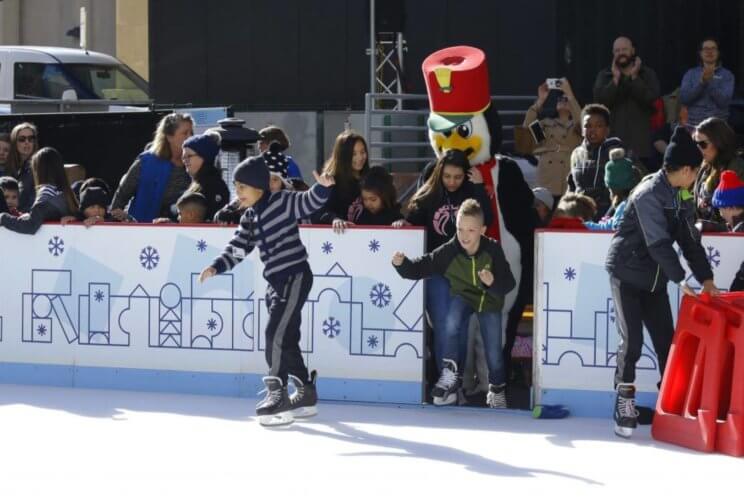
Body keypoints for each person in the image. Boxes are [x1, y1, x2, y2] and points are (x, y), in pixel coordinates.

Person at [198, 154, 335, 426]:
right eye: (235, 188)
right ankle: (305, 393)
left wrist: (322, 187)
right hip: (275, 283)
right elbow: (238, 247)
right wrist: (216, 267)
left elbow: (308, 202)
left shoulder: (282, 202)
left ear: (259, 187)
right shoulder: (249, 217)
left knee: (275, 333)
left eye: (242, 187)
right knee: (287, 338)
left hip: (295, 276)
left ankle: (277, 394)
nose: (238, 193)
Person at [605, 126, 717, 439]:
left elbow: (689, 239)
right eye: (696, 172)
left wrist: (706, 278)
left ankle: (671, 402)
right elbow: (658, 244)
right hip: (627, 273)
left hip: (653, 280)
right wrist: (680, 279)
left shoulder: (681, 195)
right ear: (685, 170)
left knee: (668, 342)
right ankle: (624, 402)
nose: (695, 179)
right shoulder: (647, 194)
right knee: (633, 342)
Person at [392, 199, 515, 407]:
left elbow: (509, 283)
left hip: (489, 300)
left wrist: (492, 282)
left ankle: (497, 389)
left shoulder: (492, 250)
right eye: (460, 229)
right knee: (451, 321)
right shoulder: (450, 250)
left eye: (471, 230)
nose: (464, 236)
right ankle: (450, 374)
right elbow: (422, 266)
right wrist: (402, 265)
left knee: (493, 351)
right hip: (464, 295)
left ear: (482, 230)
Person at [393, 149, 492, 374]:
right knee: (441, 326)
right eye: (447, 176)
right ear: (439, 174)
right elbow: (413, 220)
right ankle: (445, 380)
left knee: (459, 326)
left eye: (457, 177)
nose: (452, 182)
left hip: (466, 271)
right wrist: (402, 224)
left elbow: (487, 218)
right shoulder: (430, 195)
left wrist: (478, 186)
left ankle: (455, 381)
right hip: (436, 269)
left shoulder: (471, 193)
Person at [111, 113, 194, 223]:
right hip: (143, 232)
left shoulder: (196, 162)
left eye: (191, 133)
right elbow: (120, 198)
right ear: (169, 137)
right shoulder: (145, 162)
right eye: (185, 133)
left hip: (181, 234)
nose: (190, 137)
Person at [594, 36, 660, 167]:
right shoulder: (605, 75)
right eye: (617, 50)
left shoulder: (647, 74)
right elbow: (600, 102)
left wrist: (634, 78)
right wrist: (615, 80)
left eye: (624, 49)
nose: (621, 53)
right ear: (613, 54)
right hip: (613, 146)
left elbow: (651, 99)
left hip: (640, 147)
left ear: (633, 51)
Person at [523, 78, 582, 204]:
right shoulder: (546, 124)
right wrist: (540, 101)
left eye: (566, 100)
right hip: (547, 177)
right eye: (560, 99)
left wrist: (570, 95)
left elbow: (584, 125)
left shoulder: (577, 126)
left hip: (568, 176)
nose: (562, 101)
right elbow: (526, 131)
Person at [0, 147, 78, 234]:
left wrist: (3, 217)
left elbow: (30, 226)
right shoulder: (66, 192)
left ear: (38, 170)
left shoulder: (46, 193)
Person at [568, 104, 624, 220]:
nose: (592, 130)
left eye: (598, 125)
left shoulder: (616, 151)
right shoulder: (576, 154)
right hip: (581, 216)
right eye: (587, 126)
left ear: (607, 130)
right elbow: (571, 188)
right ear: (582, 130)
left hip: (609, 217)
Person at [312, 131, 369, 232]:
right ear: (343, 156)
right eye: (353, 154)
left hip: (369, 239)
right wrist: (334, 219)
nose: (360, 157)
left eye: (362, 152)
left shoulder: (370, 178)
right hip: (339, 239)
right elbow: (318, 213)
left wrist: (396, 218)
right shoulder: (330, 180)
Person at [692, 117, 744, 226]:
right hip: (708, 235)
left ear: (719, 142)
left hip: (731, 236)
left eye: (703, 144)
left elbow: (736, 209)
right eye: (696, 143)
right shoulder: (705, 166)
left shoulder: (738, 167)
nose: (699, 148)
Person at [680, 38, 735, 128]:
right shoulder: (690, 74)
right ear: (700, 53)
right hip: (694, 124)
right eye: (706, 49)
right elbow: (684, 99)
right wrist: (701, 84)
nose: (710, 52)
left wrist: (709, 83)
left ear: (718, 53)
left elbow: (724, 102)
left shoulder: (727, 75)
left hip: (717, 124)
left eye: (713, 49)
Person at [585, 148, 638, 231]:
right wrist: (582, 225)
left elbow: (617, 232)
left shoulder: (624, 207)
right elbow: (607, 227)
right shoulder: (628, 204)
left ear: (612, 189)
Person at [182, 132, 229, 220]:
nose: (185, 160)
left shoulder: (215, 186)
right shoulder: (196, 183)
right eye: (183, 157)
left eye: (189, 156)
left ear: (204, 157)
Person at [711, 171, 744, 291]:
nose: (721, 214)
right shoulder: (736, 227)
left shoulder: (740, 230)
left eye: (721, 209)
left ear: (731, 207)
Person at [5, 122, 39, 212]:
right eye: (22, 139)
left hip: (27, 217)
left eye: (31, 138)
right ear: (14, 142)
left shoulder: (39, 166)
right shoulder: (9, 167)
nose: (27, 142)